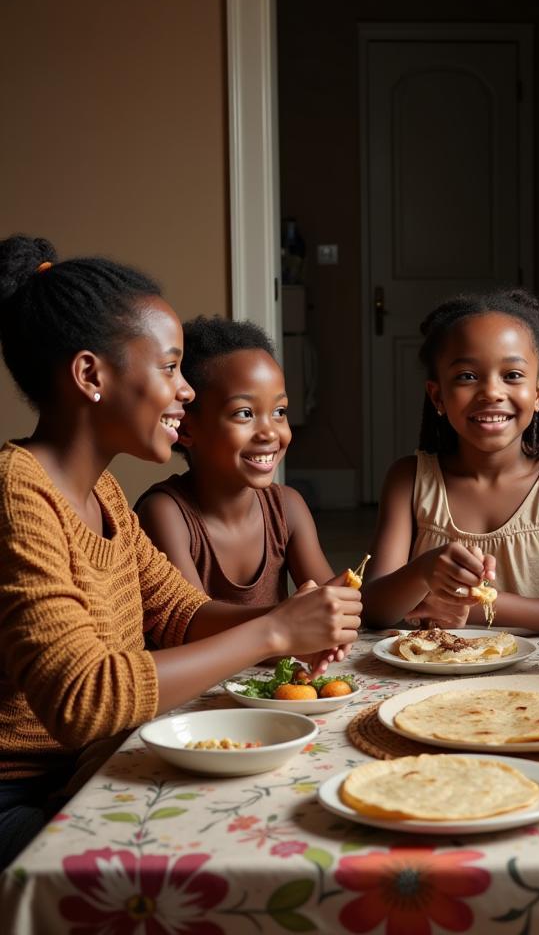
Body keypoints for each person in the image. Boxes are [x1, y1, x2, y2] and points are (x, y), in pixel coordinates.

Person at [0, 237, 361, 870]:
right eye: (169, 368)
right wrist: (274, 629)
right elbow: (85, 698)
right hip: (19, 794)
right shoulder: (16, 492)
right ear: (91, 376)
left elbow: (180, 615)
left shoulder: (105, 492)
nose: (187, 390)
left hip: (90, 766)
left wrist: (294, 622)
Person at [361, 289, 539, 632]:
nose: (491, 392)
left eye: (512, 375)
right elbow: (373, 611)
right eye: (467, 376)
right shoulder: (409, 480)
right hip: (432, 672)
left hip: (538, 680)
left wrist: (472, 604)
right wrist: (424, 571)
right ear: (438, 395)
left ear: (538, 393)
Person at [136, 316, 357, 609]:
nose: (269, 432)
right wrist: (287, 621)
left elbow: (326, 603)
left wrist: (338, 603)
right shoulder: (166, 514)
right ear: (187, 429)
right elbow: (191, 622)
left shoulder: (287, 509)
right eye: (244, 413)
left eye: (279, 411)